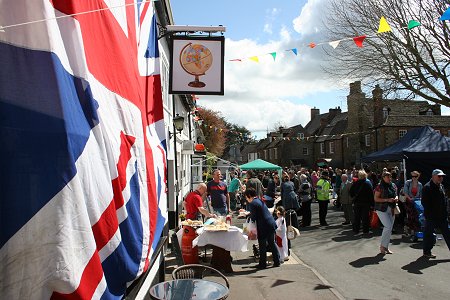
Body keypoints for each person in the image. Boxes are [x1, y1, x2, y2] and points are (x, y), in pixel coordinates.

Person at [245, 188, 281, 269]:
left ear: (249, 196)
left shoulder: (253, 203)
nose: (247, 199)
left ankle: (262, 264)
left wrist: (247, 216)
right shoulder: (259, 200)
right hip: (271, 223)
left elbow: (254, 218)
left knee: (262, 245)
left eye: (246, 197)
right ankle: (277, 261)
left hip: (264, 226)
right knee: (272, 243)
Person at [421, 169, 450, 258]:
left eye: (442, 176)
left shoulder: (441, 186)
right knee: (428, 234)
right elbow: (424, 202)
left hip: (442, 216)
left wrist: (446, 212)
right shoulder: (427, 187)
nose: (441, 178)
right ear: (433, 176)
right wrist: (431, 213)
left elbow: (444, 200)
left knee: (448, 233)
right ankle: (427, 252)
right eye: (439, 176)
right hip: (431, 216)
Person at [374, 172, 398, 254]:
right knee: (387, 226)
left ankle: (386, 247)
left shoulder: (393, 185)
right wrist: (387, 200)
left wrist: (396, 198)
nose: (389, 178)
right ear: (383, 177)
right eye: (387, 177)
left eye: (390, 176)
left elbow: (396, 194)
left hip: (391, 208)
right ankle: (382, 246)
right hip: (381, 209)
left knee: (390, 228)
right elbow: (376, 198)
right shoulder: (379, 187)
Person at [403, 171, 423, 235]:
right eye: (412, 176)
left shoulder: (420, 184)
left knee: (416, 216)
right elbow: (405, 192)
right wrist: (410, 199)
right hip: (409, 202)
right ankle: (411, 230)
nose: (414, 178)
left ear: (418, 176)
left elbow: (421, 194)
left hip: (417, 202)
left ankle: (411, 229)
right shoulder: (408, 182)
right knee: (411, 216)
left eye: (415, 176)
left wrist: (419, 200)